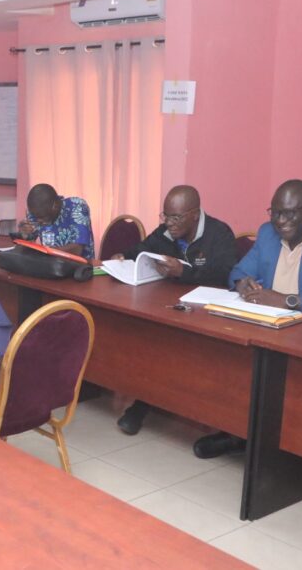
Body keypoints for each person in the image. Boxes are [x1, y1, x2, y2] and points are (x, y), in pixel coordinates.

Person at [193, 179, 302, 459]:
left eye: (290, 213)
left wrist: (288, 300)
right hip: (267, 327)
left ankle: (287, 446)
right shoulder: (268, 234)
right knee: (223, 353)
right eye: (275, 212)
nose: (281, 221)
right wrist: (243, 283)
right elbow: (238, 272)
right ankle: (235, 431)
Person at [111, 185, 238, 435]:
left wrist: (184, 272)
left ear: (195, 214)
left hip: (207, 314)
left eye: (176, 217)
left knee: (175, 349)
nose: (169, 223)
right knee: (153, 341)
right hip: (171, 308)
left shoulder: (219, 233)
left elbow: (227, 273)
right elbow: (139, 250)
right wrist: (121, 257)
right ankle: (143, 402)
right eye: (166, 216)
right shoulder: (166, 233)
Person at [17, 184, 95, 260]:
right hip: (49, 264)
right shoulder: (35, 211)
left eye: (42, 217)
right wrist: (23, 233)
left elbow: (77, 250)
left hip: (80, 266)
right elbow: (28, 241)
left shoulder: (77, 206)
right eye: (35, 217)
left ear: (55, 205)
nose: (39, 220)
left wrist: (46, 253)